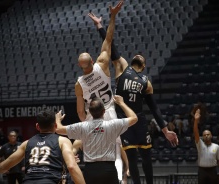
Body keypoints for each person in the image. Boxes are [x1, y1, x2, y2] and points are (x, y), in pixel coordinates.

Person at [88, 13, 179, 184]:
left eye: (142, 57)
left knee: (146, 157)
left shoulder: (146, 81)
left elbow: (154, 107)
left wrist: (165, 130)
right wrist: (100, 26)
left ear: (143, 66)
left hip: (140, 119)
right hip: (124, 119)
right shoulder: (122, 66)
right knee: (131, 158)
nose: (139, 55)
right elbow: (111, 44)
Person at [73, 1, 125, 183]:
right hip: (109, 110)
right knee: (116, 149)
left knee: (82, 146)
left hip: (91, 116)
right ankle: (120, 179)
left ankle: (72, 159)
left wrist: (86, 124)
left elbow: (80, 111)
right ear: (92, 60)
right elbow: (109, 39)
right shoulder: (102, 64)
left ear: (80, 66)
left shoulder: (78, 84)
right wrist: (111, 17)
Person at [55, 95, 138, 184]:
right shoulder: (113, 125)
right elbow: (134, 118)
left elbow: (58, 129)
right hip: (109, 169)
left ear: (90, 112)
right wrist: (121, 103)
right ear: (104, 111)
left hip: (90, 170)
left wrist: (57, 119)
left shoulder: (82, 126)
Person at [0, 110, 85, 184]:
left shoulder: (26, 143)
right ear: (55, 126)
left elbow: (6, 164)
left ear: (37, 126)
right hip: (50, 181)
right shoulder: (62, 140)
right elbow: (72, 167)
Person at [194, 109, 219, 184]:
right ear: (202, 137)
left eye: (208, 134)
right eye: (204, 135)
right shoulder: (199, 144)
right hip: (202, 171)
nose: (206, 136)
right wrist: (196, 121)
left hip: (212, 170)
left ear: (211, 136)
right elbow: (195, 132)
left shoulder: (216, 146)